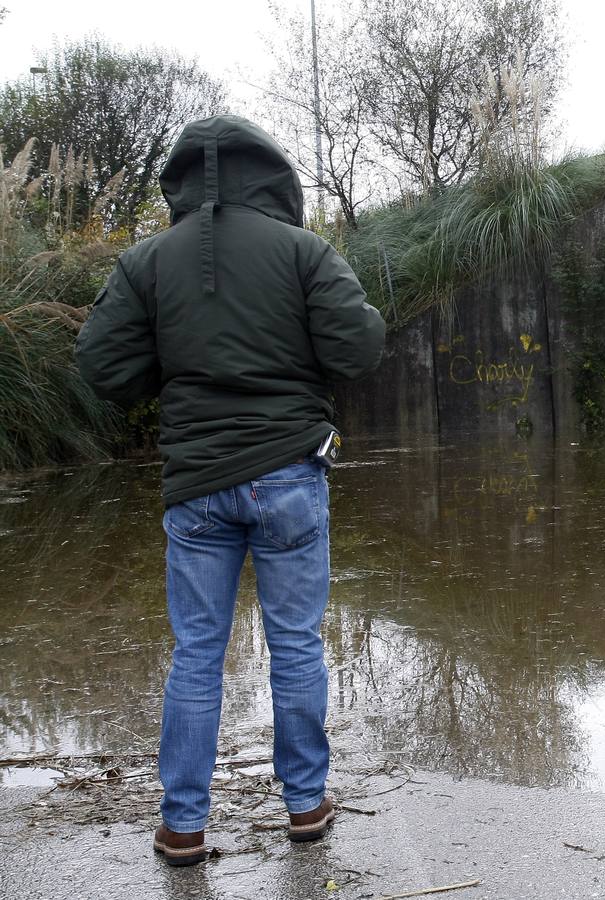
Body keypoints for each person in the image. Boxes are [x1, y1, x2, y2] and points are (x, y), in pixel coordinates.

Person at [75, 115, 386, 867]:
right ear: (270, 172)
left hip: (196, 482)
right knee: (295, 645)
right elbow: (359, 347)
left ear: (181, 177)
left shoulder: (146, 261)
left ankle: (182, 825)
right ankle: (306, 806)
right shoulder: (304, 251)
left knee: (195, 654)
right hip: (288, 474)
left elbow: (102, 365)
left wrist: (175, 369)